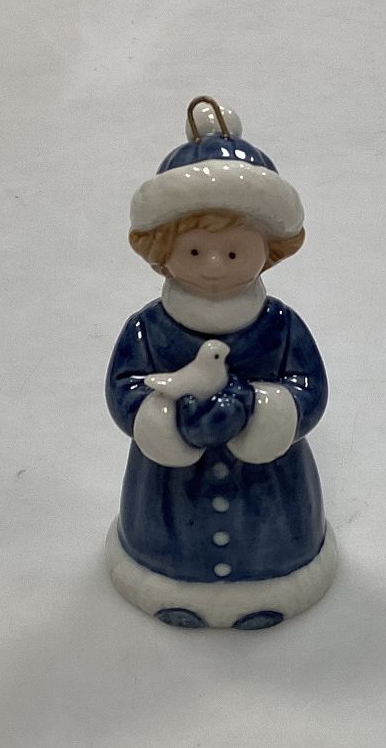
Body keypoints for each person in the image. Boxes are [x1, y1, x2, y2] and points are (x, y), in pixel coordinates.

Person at [105, 99, 336, 629]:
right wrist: (169, 421)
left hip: (271, 482)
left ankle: (270, 585)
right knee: (169, 545)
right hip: (167, 487)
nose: (213, 266)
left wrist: (259, 408)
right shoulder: (148, 328)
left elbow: (309, 389)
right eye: (194, 252)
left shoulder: (280, 325)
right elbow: (125, 390)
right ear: (162, 253)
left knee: (270, 542)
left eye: (233, 253)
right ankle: (171, 582)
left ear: (268, 251)